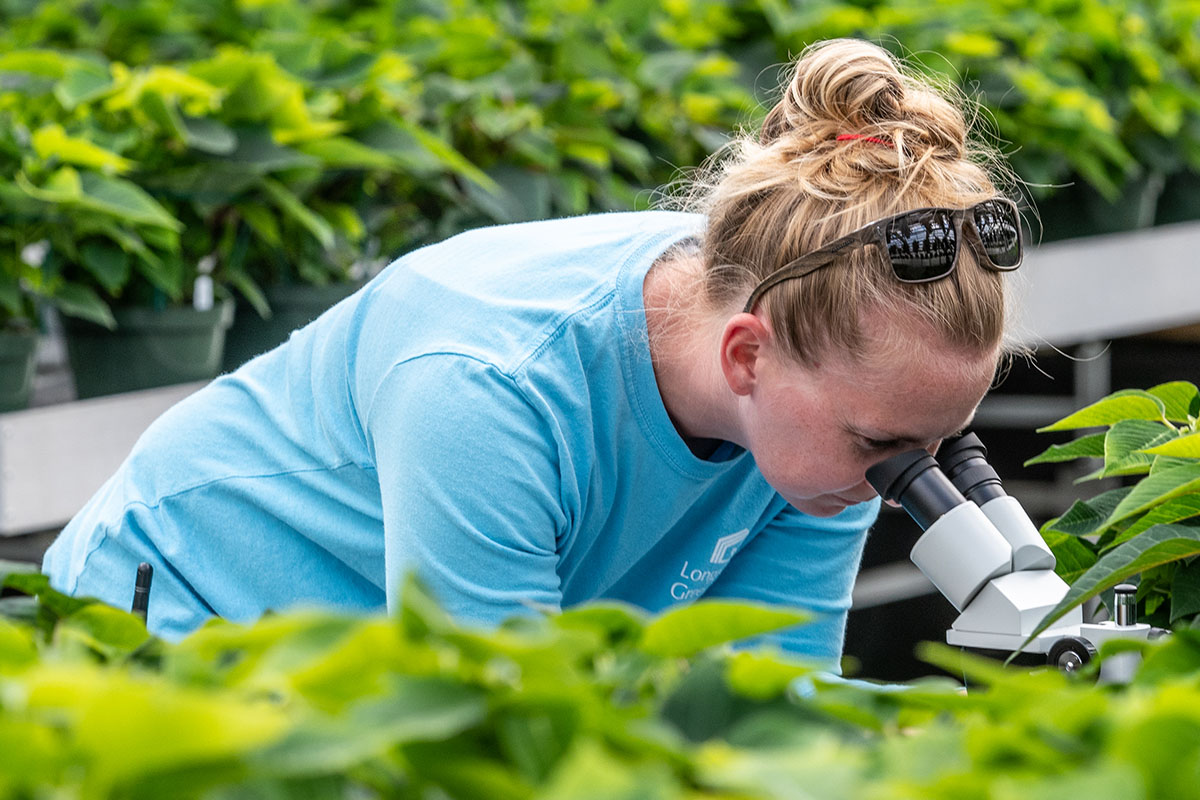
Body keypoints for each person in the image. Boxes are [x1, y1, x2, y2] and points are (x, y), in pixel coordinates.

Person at [44, 38, 1021, 668]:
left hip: (360, 666)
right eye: (889, 446)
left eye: (934, 444)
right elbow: (497, 716)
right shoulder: (492, 384)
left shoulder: (831, 424)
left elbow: (770, 693)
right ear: (745, 357)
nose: (911, 477)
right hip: (176, 609)